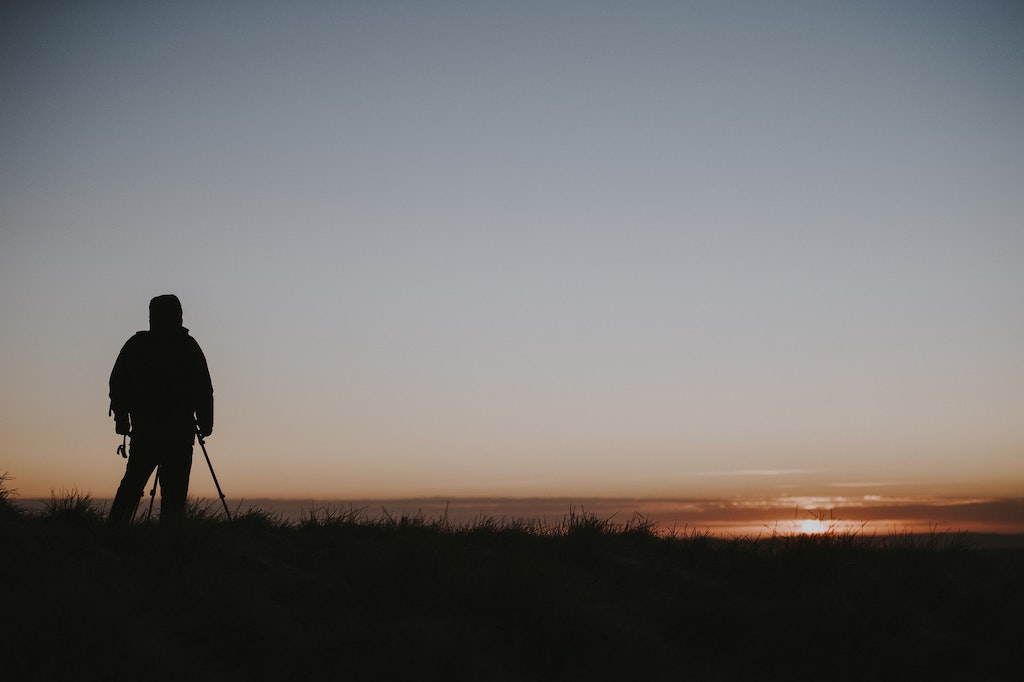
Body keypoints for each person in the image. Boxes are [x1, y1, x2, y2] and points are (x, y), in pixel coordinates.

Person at [107, 294, 214, 525]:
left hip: (146, 429)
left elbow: (118, 383)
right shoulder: (188, 346)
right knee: (174, 491)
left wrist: (122, 418)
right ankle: (171, 539)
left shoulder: (137, 345)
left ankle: (115, 530)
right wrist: (206, 422)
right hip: (178, 431)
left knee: (133, 483)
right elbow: (203, 388)